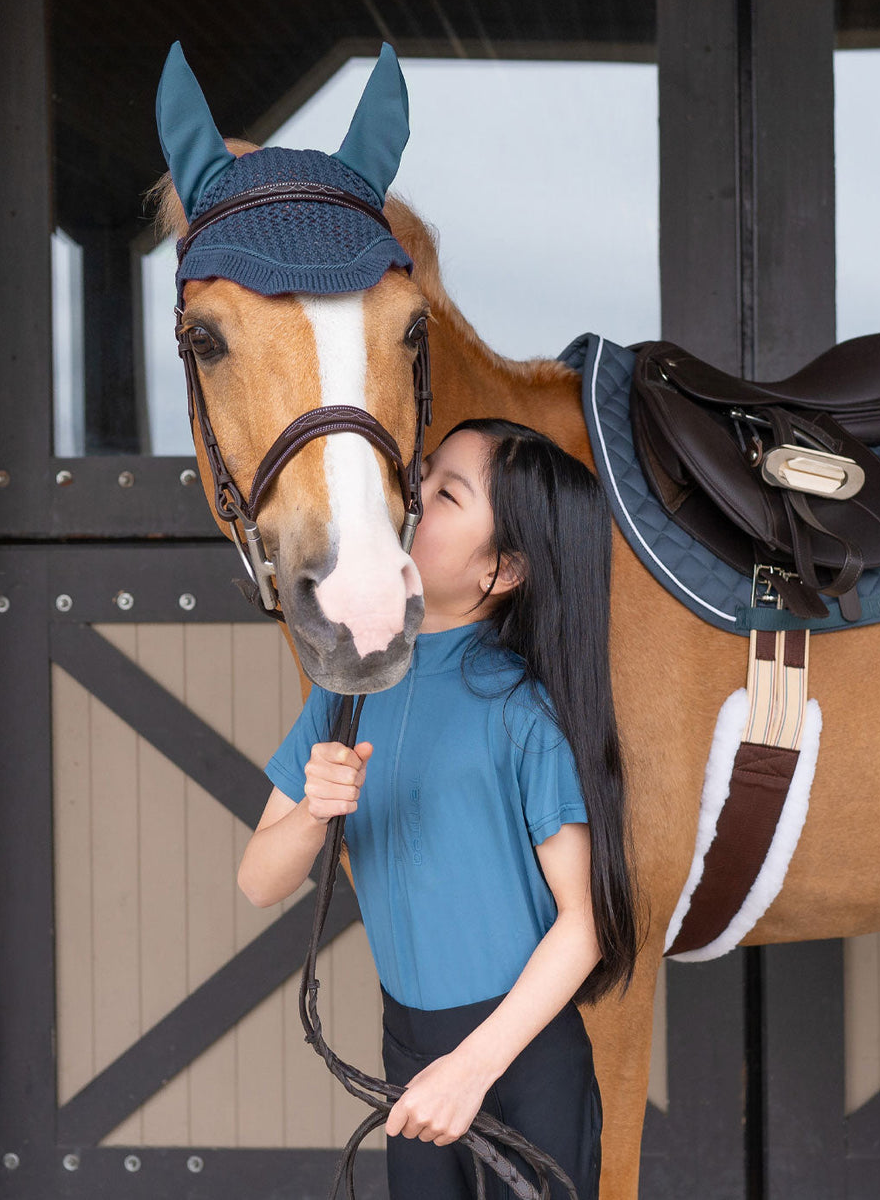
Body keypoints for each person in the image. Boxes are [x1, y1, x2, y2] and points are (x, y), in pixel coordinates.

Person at [237, 418, 638, 1200]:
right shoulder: (346, 686)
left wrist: (470, 1070)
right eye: (421, 476)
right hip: (409, 1051)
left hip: (521, 1062)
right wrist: (313, 812)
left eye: (446, 495)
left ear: (502, 568)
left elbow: (586, 921)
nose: (412, 497)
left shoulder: (523, 715)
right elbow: (258, 882)